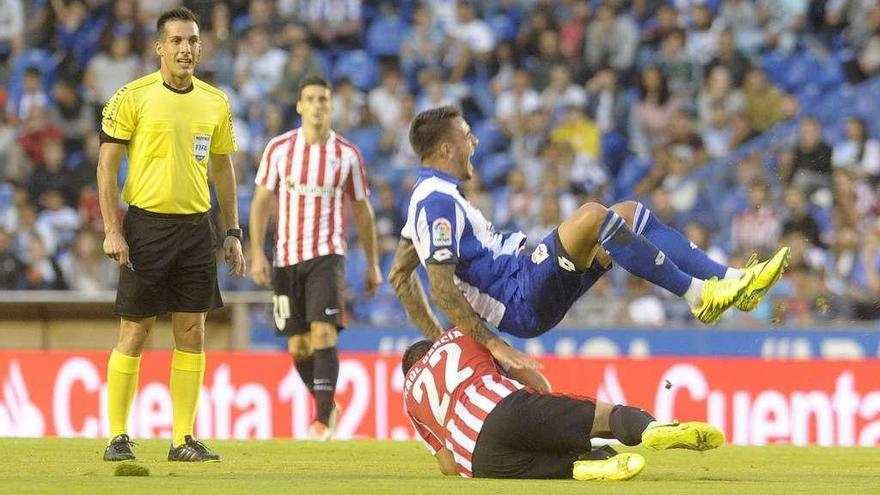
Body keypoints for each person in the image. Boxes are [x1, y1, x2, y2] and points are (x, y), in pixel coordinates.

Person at [389, 106, 790, 370]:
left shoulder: (427, 199)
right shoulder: (436, 202)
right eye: (466, 136)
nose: (474, 142)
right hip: (518, 296)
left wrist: (438, 339)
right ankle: (698, 295)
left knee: (628, 214)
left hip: (524, 284)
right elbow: (439, 287)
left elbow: (399, 277)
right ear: (446, 148)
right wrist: (492, 345)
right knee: (592, 216)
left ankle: (733, 281)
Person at [98, 7, 246, 462]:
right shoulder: (132, 96)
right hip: (145, 227)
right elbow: (106, 166)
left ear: (201, 46)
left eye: (193, 41)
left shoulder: (214, 102)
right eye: (177, 41)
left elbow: (223, 169)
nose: (186, 49)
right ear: (159, 47)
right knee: (136, 330)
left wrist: (232, 231)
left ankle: (183, 439)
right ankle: (118, 436)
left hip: (195, 229)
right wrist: (112, 229)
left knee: (192, 331)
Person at [402, 329, 724, 479]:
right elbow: (527, 375)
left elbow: (446, 465)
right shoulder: (461, 333)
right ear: (433, 347)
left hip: (478, 462)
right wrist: (540, 398)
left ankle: (592, 465)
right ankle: (651, 429)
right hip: (501, 407)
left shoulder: (409, 395)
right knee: (601, 416)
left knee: (558, 466)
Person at [249, 75, 382, 440]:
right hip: (286, 258)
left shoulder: (346, 155)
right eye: (311, 99)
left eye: (324, 99)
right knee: (298, 344)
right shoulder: (279, 149)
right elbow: (261, 202)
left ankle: (321, 420)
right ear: (299, 105)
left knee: (323, 332)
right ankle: (326, 403)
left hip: (327, 255)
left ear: (331, 105)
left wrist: (371, 263)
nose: (318, 105)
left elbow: (362, 210)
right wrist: (257, 252)